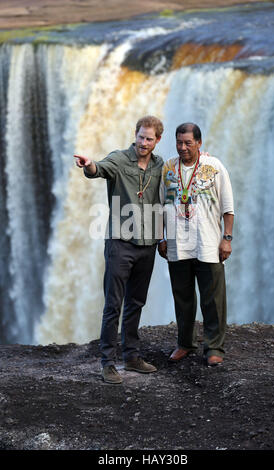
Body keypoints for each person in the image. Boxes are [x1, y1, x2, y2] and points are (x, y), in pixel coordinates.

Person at [74, 116, 164, 384]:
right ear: (134, 135)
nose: (143, 143)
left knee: (136, 303)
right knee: (114, 304)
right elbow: (98, 169)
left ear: (157, 140)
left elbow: (181, 172)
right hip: (120, 243)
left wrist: (201, 158)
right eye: (140, 137)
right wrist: (89, 165)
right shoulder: (119, 159)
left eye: (149, 139)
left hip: (147, 245)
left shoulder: (160, 165)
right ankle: (108, 363)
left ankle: (133, 357)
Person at [158, 122, 234, 366]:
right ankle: (185, 343)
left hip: (208, 243)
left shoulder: (214, 166)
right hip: (177, 243)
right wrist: (161, 237)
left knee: (213, 299)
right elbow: (160, 206)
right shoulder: (168, 168)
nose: (182, 147)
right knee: (182, 297)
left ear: (199, 143)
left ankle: (214, 348)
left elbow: (228, 207)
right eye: (179, 142)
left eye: (188, 143)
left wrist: (227, 238)